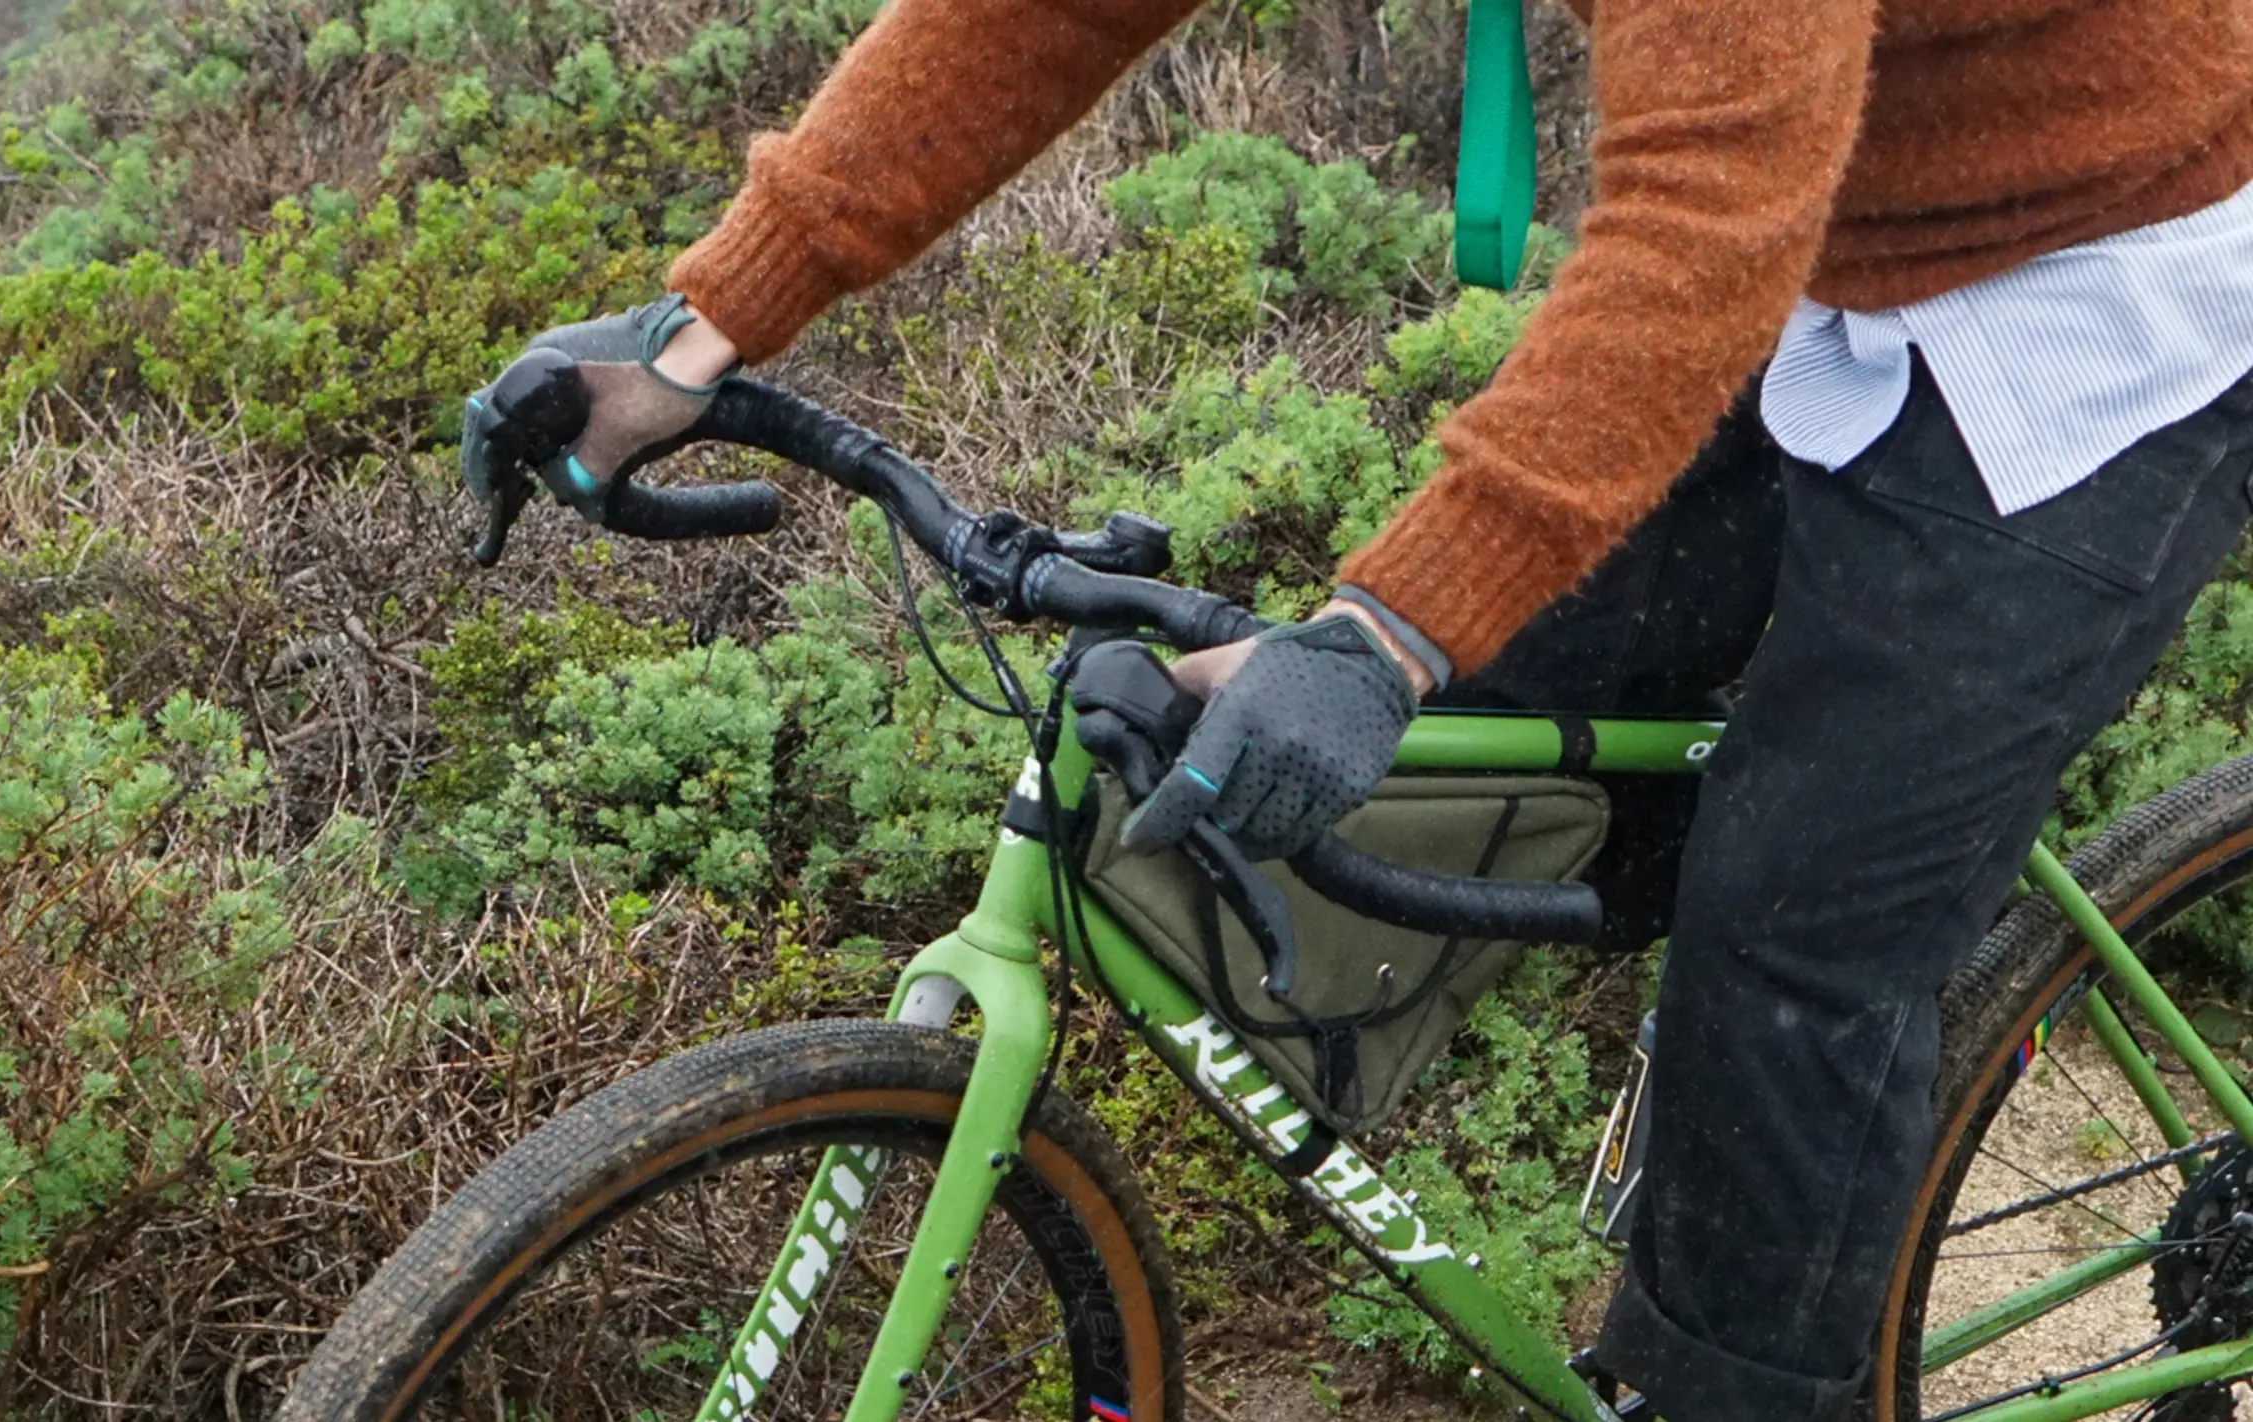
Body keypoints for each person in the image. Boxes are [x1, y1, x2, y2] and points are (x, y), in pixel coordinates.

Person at [467, 0, 2253, 1416]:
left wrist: (1382, 629)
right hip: (1848, 251)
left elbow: (1710, 201)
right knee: (1525, 711)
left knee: (1794, 919)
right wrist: (702, 325)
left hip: (2117, 295)